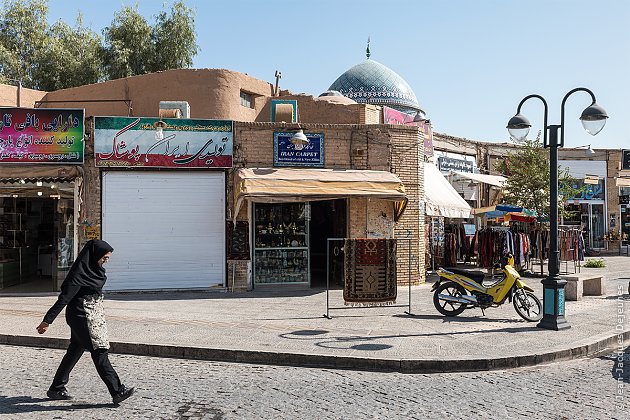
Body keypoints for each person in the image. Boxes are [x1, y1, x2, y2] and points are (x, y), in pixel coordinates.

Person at [36, 239, 135, 404]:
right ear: (94, 255)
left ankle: (56, 388)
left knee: (75, 349)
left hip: (91, 316)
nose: (106, 260)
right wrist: (47, 320)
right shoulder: (79, 274)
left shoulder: (94, 270)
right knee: (99, 351)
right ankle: (117, 391)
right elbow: (64, 299)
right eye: (104, 257)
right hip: (81, 317)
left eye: (108, 258)